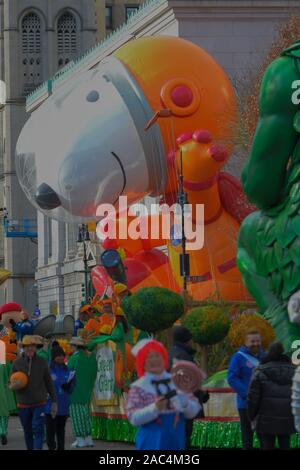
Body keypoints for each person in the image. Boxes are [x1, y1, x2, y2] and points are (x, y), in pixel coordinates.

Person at [126, 339, 200, 450]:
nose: (155, 360)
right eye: (150, 357)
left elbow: (193, 412)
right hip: (150, 444)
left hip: (176, 443)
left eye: (157, 355)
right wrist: (154, 409)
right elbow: (133, 418)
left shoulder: (177, 381)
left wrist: (186, 403)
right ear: (143, 362)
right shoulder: (138, 387)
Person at [10, 335, 57, 450]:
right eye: (27, 346)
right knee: (27, 431)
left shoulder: (42, 362)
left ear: (35, 347)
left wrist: (54, 401)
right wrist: (14, 385)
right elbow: (10, 382)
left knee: (38, 429)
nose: (30, 349)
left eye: (32, 346)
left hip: (39, 403)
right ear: (23, 347)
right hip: (23, 404)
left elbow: (49, 382)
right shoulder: (17, 363)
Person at [247, 342, 296, 450]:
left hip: (265, 421)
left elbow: (253, 398)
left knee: (266, 446)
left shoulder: (259, 371)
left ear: (269, 352)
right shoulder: (294, 372)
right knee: (285, 445)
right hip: (287, 419)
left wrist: (251, 416)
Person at [169, 325, 209, 448]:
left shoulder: (170, 353)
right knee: (184, 437)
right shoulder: (183, 356)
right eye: (190, 339)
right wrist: (202, 395)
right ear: (186, 340)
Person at [228, 329, 266, 450]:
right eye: (252, 341)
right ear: (245, 342)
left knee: (265, 437)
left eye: (258, 341)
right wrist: (248, 394)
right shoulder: (238, 357)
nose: (256, 344)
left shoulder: (265, 356)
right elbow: (232, 378)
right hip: (246, 404)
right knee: (247, 437)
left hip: (264, 404)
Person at [68, 337, 97, 448]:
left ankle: (80, 440)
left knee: (76, 416)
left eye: (71, 345)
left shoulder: (74, 358)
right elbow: (95, 373)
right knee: (86, 415)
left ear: (75, 346)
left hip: (75, 392)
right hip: (88, 390)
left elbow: (69, 375)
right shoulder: (92, 357)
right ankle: (89, 439)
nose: (70, 347)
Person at [45, 344, 75, 451]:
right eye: (59, 356)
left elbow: (72, 386)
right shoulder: (47, 369)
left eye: (62, 355)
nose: (61, 357)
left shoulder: (68, 369)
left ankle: (61, 447)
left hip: (63, 406)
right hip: (50, 407)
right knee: (50, 433)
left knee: (61, 431)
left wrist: (69, 387)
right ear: (53, 357)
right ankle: (52, 447)